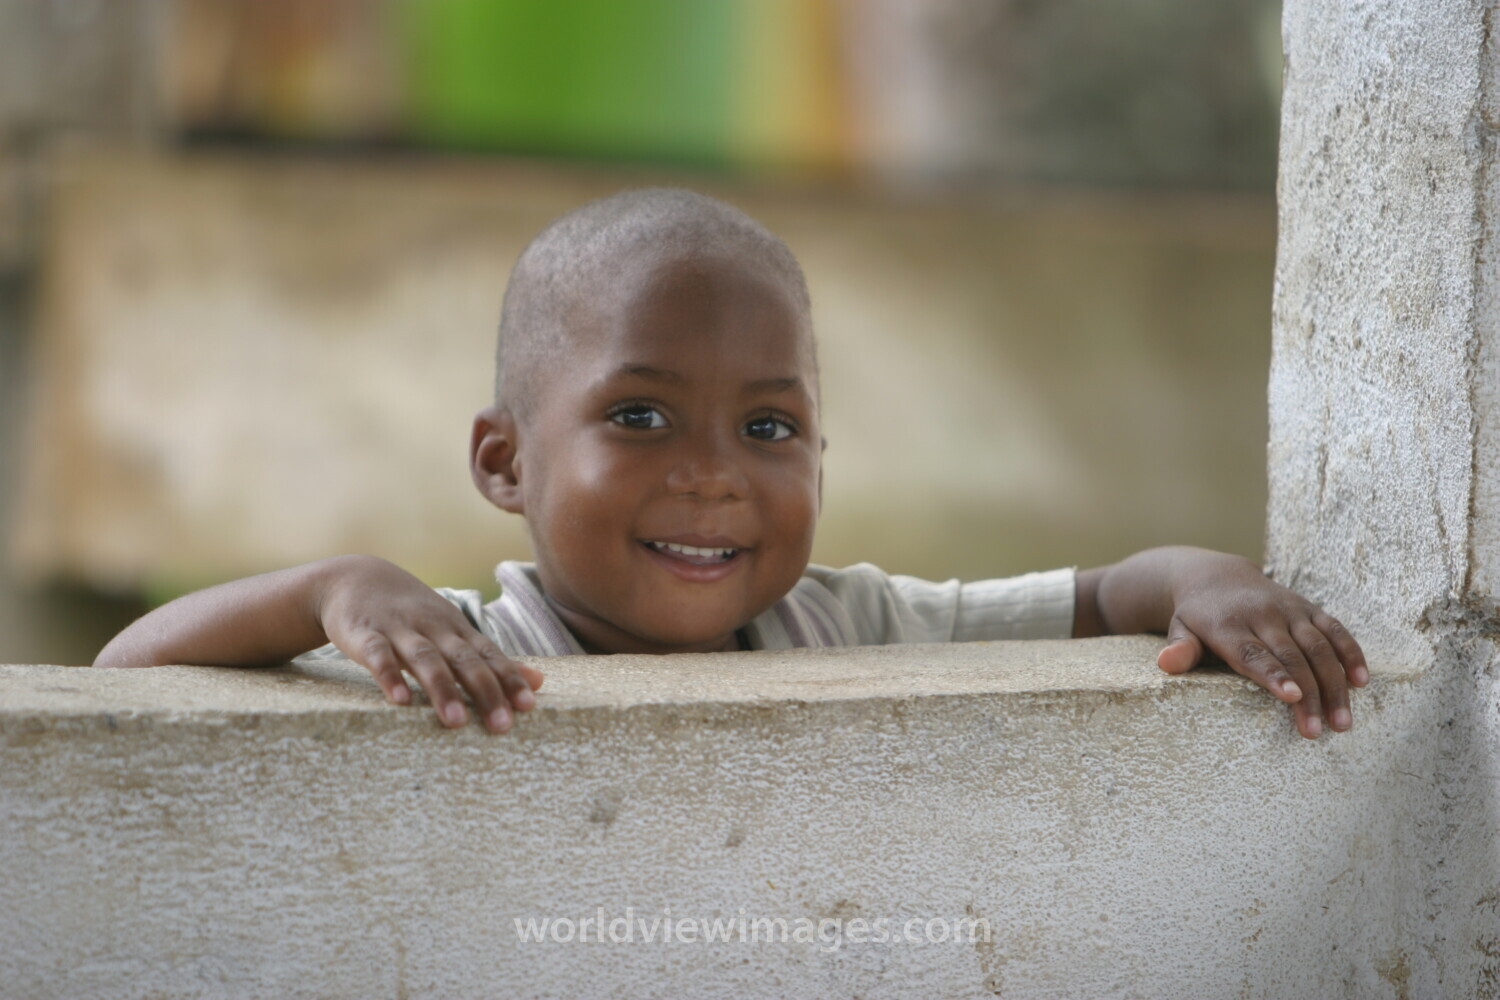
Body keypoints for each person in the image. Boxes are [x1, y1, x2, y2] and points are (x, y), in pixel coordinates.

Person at [94, 188, 1368, 741]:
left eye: (768, 430)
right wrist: (337, 584)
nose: (714, 476)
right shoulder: (456, 656)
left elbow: (1108, 597)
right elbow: (121, 677)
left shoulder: (852, 623)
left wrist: (1208, 579)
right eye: (640, 416)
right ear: (504, 460)